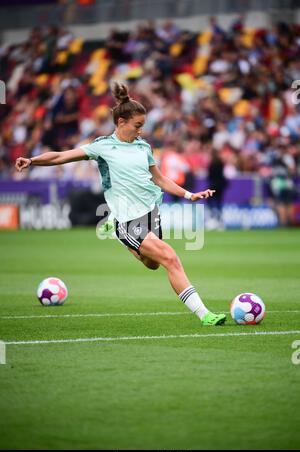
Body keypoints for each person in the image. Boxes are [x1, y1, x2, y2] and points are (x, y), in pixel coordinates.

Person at [15, 82, 226, 326]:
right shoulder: (103, 146)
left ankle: (121, 238)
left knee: (152, 265)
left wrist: (190, 195)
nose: (140, 131)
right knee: (170, 257)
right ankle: (205, 315)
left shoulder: (143, 147)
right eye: (137, 126)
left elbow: (159, 179)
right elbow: (62, 156)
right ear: (121, 122)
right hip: (128, 218)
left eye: (142, 126)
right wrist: (32, 160)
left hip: (150, 212)